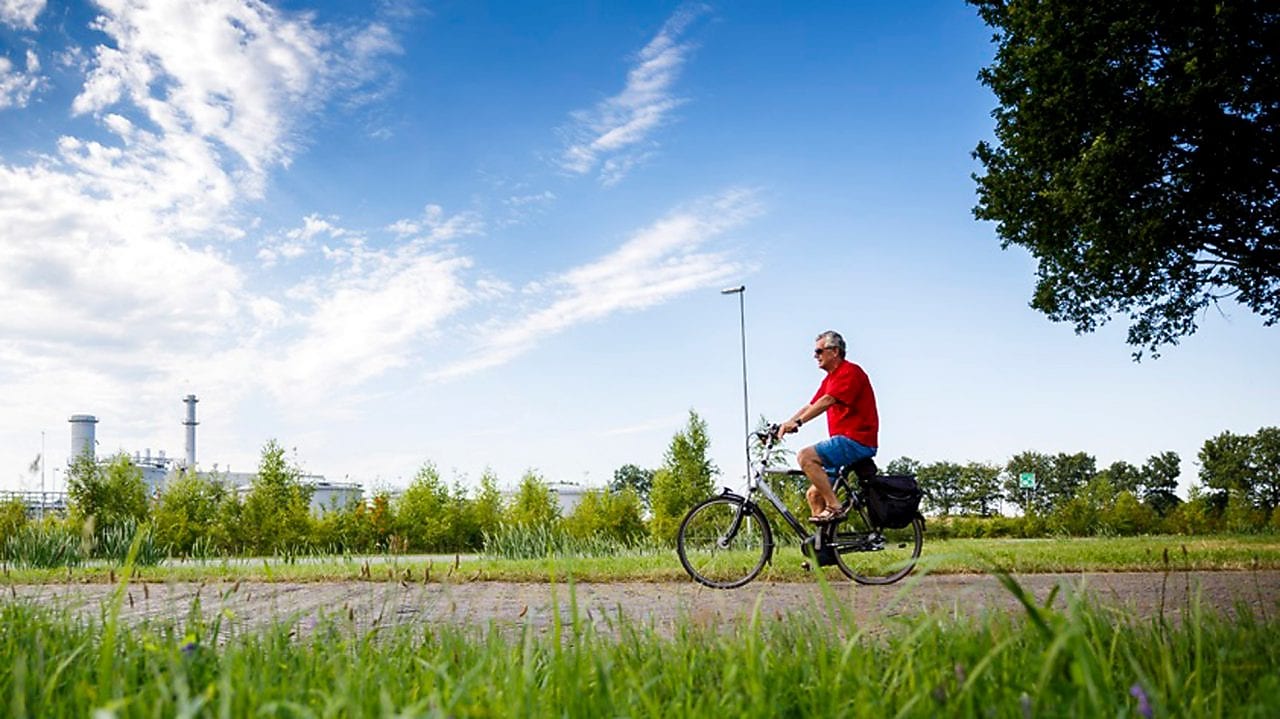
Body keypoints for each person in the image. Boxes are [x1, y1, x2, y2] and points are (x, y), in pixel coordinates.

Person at [776, 330, 878, 523]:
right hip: (843, 443)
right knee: (814, 495)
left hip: (857, 440)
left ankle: (834, 506)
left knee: (806, 456)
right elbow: (811, 405)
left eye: (819, 351)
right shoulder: (830, 378)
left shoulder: (850, 372)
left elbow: (827, 401)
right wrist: (785, 424)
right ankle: (823, 542)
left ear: (835, 351)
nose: (815, 356)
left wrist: (798, 422)